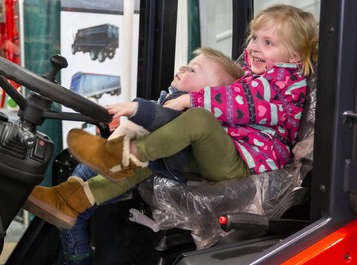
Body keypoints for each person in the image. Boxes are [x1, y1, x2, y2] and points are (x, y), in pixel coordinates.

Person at [25, 3, 318, 245]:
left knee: (198, 119)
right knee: (152, 158)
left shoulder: (284, 83)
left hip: (245, 163)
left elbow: (239, 100)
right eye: (254, 37)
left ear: (293, 56)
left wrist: (186, 101)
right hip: (224, 152)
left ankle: (120, 155)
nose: (254, 47)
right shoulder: (255, 74)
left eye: (268, 43)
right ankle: (69, 200)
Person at [31, 47, 244, 265]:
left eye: (193, 69)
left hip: (134, 177)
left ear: (209, 94)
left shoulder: (189, 115)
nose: (183, 67)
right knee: (79, 186)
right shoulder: (172, 100)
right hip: (133, 172)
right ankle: (66, 201)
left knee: (78, 206)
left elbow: (163, 118)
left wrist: (133, 109)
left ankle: (74, 256)